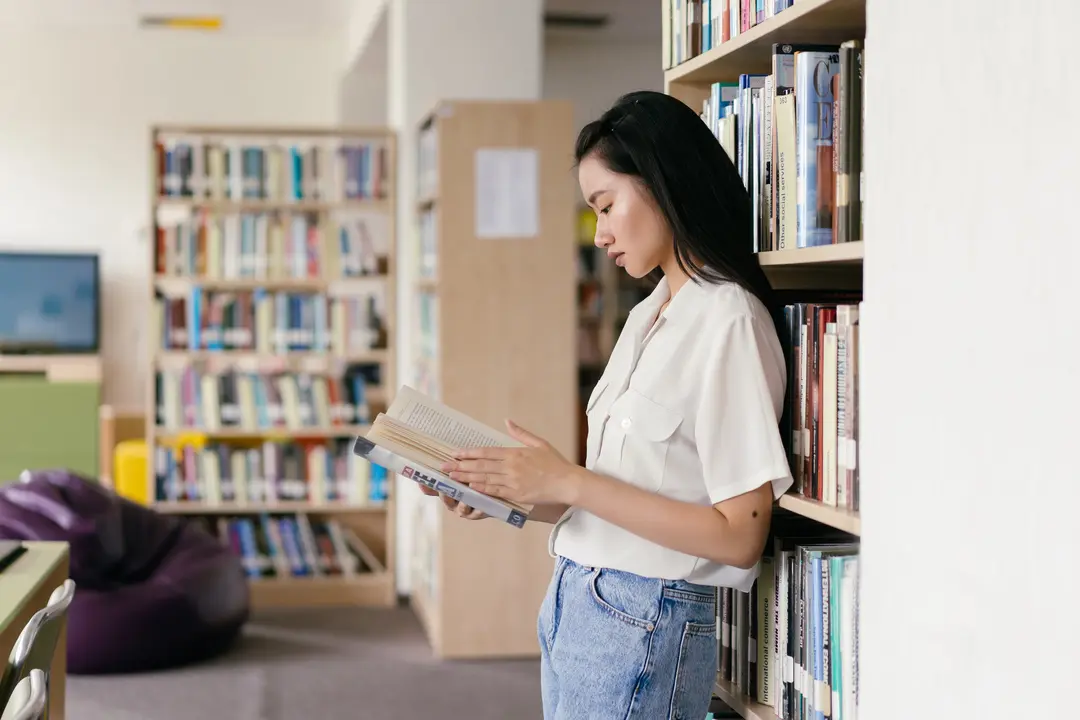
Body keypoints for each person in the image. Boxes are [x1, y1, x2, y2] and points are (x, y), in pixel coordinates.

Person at [423, 89, 794, 720]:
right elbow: (618, 498)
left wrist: (567, 478)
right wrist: (509, 491)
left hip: (644, 619)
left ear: (659, 183)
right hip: (575, 601)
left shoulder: (728, 319)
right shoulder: (648, 314)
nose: (599, 236)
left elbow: (739, 537)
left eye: (607, 205)